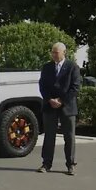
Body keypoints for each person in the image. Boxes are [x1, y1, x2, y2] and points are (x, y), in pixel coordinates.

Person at [36, 42, 80, 175]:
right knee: (49, 136)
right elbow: (42, 85)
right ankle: (46, 163)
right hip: (50, 105)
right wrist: (50, 99)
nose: (54, 55)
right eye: (52, 52)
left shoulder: (72, 67)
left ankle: (70, 164)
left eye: (56, 52)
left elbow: (75, 87)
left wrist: (61, 100)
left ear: (64, 53)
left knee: (69, 136)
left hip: (67, 106)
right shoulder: (47, 67)